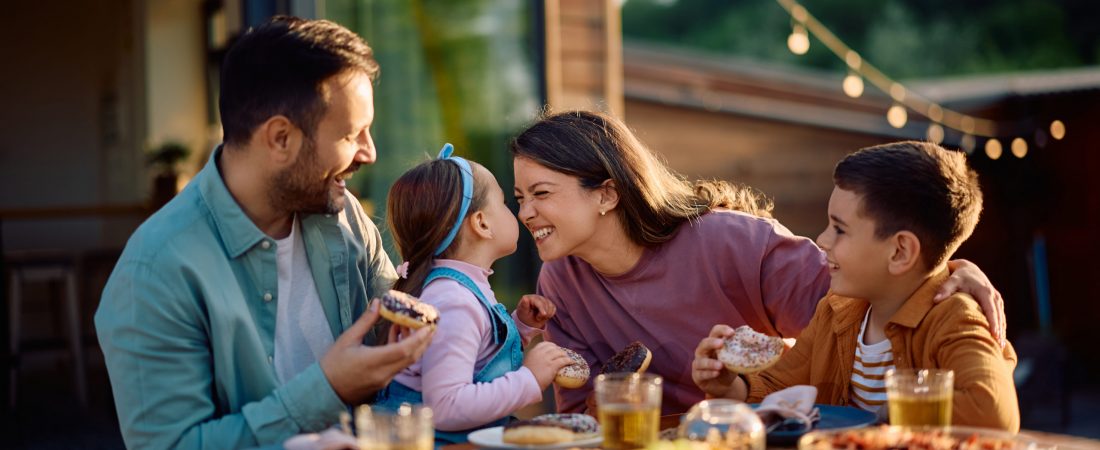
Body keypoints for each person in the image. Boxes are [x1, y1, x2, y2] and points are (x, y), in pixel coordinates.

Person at [509, 110, 1007, 415]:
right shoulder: (560, 282)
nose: (526, 211)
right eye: (518, 196)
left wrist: (952, 271)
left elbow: (864, 296)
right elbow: (580, 416)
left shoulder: (733, 243)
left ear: (607, 195)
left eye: (541, 193)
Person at [95, 17, 433, 449]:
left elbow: (397, 330)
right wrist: (328, 388)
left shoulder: (344, 216)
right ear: (279, 138)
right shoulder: (155, 272)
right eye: (351, 134)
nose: (370, 152)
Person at [691, 141, 1019, 431]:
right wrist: (731, 386)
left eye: (840, 229)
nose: (822, 239)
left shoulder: (954, 316)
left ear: (900, 251)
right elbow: (779, 386)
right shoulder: (836, 311)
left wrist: (884, 416)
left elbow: (994, 413)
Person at [373, 145, 572, 443]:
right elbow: (446, 406)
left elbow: (475, 357)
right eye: (505, 202)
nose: (518, 213)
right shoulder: (454, 300)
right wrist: (529, 379)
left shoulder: (460, 290)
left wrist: (519, 326)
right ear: (481, 223)